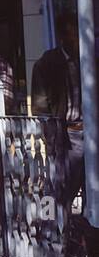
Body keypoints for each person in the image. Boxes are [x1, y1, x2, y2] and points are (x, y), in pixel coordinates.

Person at [32, 19, 84, 207]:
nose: (78, 39)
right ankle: (49, 227)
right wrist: (52, 136)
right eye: (73, 34)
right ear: (63, 37)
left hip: (89, 131)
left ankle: (81, 231)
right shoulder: (48, 63)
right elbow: (40, 106)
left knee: (88, 187)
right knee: (58, 187)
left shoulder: (85, 60)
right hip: (67, 133)